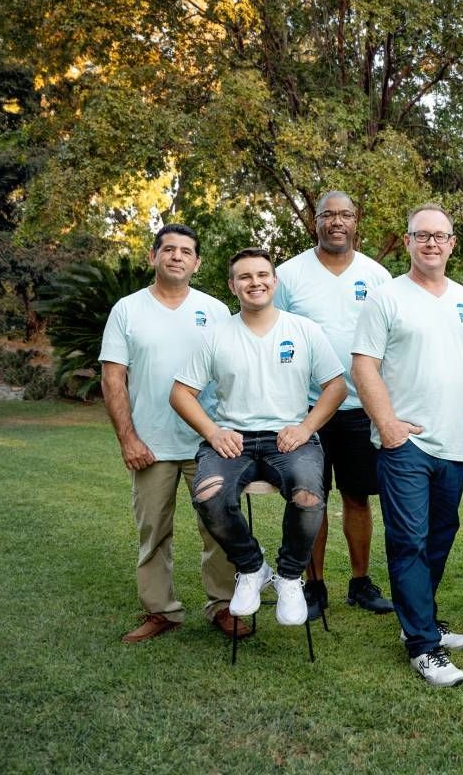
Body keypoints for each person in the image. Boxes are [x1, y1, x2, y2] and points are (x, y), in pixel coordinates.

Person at [352, 204, 463, 687]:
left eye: (441, 236)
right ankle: (422, 645)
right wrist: (388, 424)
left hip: (453, 444)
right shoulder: (386, 298)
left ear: (453, 243)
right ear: (409, 240)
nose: (432, 243)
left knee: (441, 533)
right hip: (405, 445)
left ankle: (418, 617)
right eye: (423, 236)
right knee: (410, 540)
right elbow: (364, 365)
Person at [170, 247, 347, 628]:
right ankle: (252, 568)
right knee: (208, 494)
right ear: (232, 285)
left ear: (274, 281)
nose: (255, 282)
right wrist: (213, 431)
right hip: (234, 440)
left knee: (309, 495)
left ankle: (288, 577)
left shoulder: (303, 330)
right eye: (245, 277)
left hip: (291, 438)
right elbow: (180, 393)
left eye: (262, 275)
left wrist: (305, 428)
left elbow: (336, 386)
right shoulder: (216, 335)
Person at [99, 224, 241, 643]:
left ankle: (223, 606)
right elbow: (113, 377)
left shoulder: (215, 310)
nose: (177, 256)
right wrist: (128, 439)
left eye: (186, 251)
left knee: (219, 528)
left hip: (208, 443)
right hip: (151, 445)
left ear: (197, 263)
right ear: (153, 256)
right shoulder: (127, 310)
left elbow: (235, 371)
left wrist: (229, 430)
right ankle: (161, 611)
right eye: (169, 249)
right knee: (153, 531)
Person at [275, 190, 395, 618]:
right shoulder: (288, 275)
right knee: (310, 497)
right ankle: (314, 586)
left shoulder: (378, 276)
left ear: (355, 220)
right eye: (328, 215)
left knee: (358, 497)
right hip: (307, 411)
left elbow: (390, 342)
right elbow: (272, 333)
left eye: (345, 215)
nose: (337, 222)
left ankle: (360, 583)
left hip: (362, 409)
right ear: (316, 220)